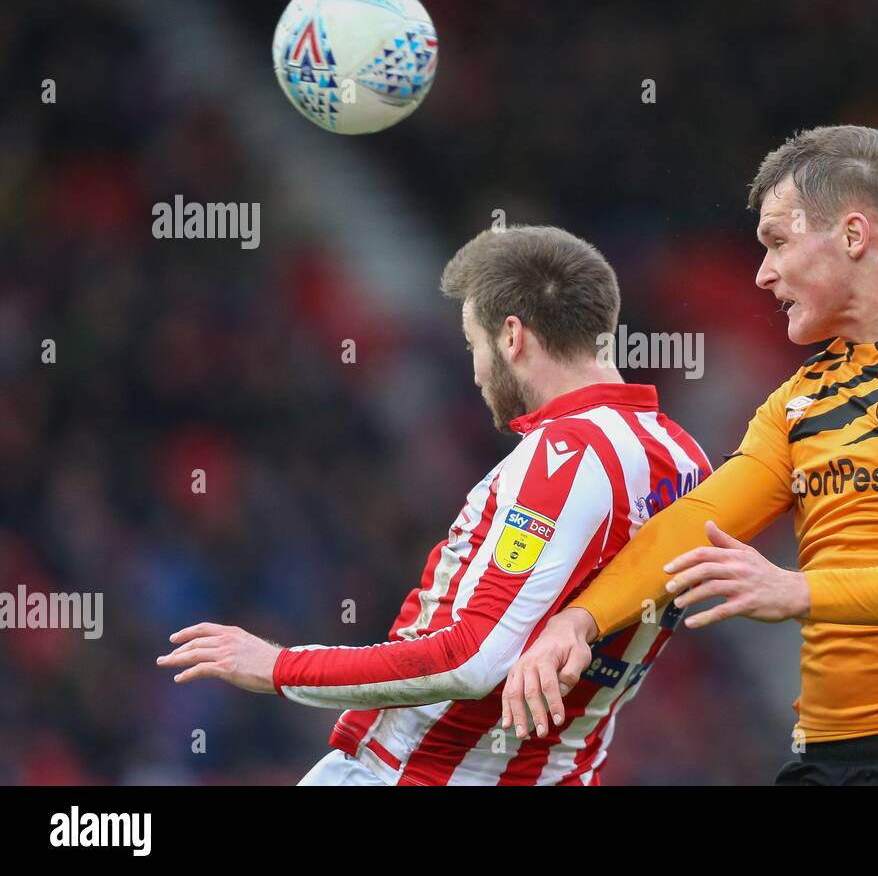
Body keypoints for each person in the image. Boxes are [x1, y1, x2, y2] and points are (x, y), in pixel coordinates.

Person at [500, 126, 878, 785]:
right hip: (830, 761)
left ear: (853, 236)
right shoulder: (800, 399)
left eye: (778, 241)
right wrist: (580, 618)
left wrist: (797, 589)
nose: (762, 272)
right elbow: (697, 524)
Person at [157, 225, 710, 786]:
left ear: (512, 336)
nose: (474, 371)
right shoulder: (688, 461)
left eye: (474, 344)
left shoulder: (566, 458)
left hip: (424, 774)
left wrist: (279, 666)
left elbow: (471, 659)